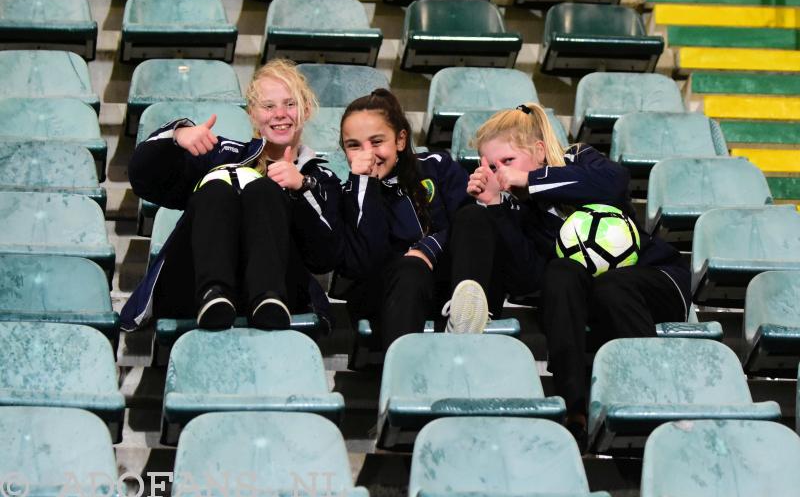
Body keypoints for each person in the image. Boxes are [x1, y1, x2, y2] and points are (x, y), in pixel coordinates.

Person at [448, 102, 691, 447]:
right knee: (561, 271)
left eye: (507, 162)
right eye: (489, 165)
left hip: (653, 277)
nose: (497, 172)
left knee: (613, 287)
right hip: (592, 295)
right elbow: (532, 278)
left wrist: (532, 180)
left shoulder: (579, 158)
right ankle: (573, 408)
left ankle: (654, 399)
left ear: (539, 151)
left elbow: (614, 183)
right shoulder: (520, 212)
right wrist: (497, 207)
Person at [121, 59, 341, 332]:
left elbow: (324, 257)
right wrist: (177, 135)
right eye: (268, 106)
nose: (280, 114)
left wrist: (301, 187)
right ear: (252, 114)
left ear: (306, 110)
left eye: (290, 104)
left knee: (262, 189)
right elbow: (145, 181)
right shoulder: (223, 154)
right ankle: (214, 293)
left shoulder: (320, 180)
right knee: (216, 187)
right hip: (195, 289)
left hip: (282, 296)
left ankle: (266, 296)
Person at [335, 88, 470, 351]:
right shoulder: (348, 193)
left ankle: (471, 316)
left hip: (444, 284)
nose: (368, 154)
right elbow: (363, 262)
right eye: (354, 145)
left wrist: (427, 249)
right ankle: (401, 376)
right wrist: (366, 186)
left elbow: (466, 222)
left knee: (476, 218)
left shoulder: (436, 165)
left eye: (376, 142)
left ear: (400, 140)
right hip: (383, 294)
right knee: (409, 270)